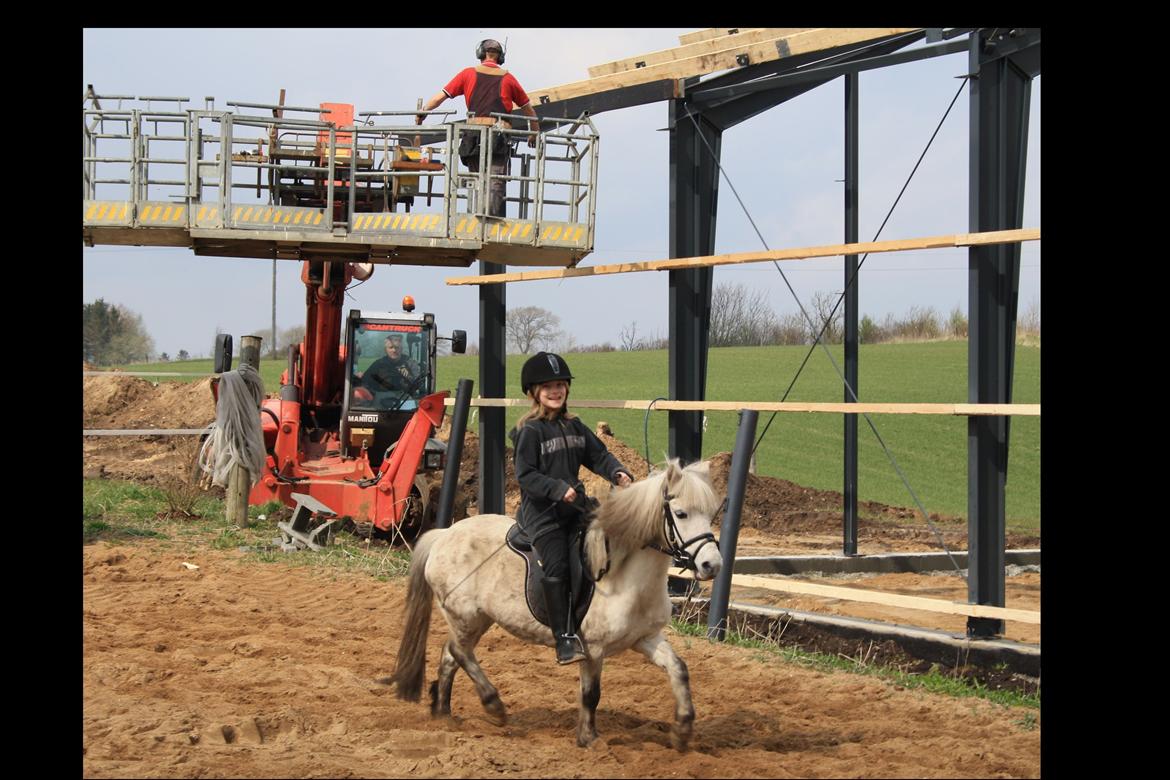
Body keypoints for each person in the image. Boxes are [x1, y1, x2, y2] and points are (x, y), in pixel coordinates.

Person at [508, 351, 634, 664]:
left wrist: (617, 472)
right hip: (542, 515)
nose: (556, 391)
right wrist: (555, 488)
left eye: (560, 385)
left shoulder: (574, 425)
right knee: (558, 565)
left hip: (575, 508)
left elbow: (598, 455)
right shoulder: (529, 431)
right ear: (533, 392)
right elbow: (525, 475)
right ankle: (563, 638)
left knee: (611, 542)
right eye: (548, 386)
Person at [415, 38, 540, 217]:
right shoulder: (508, 78)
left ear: (481, 53)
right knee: (495, 180)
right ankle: (491, 220)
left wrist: (423, 112)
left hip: (473, 136)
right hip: (499, 137)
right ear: (500, 57)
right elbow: (530, 111)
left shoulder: (467, 74)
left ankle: (478, 217)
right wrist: (534, 134)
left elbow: (440, 97)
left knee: (477, 179)